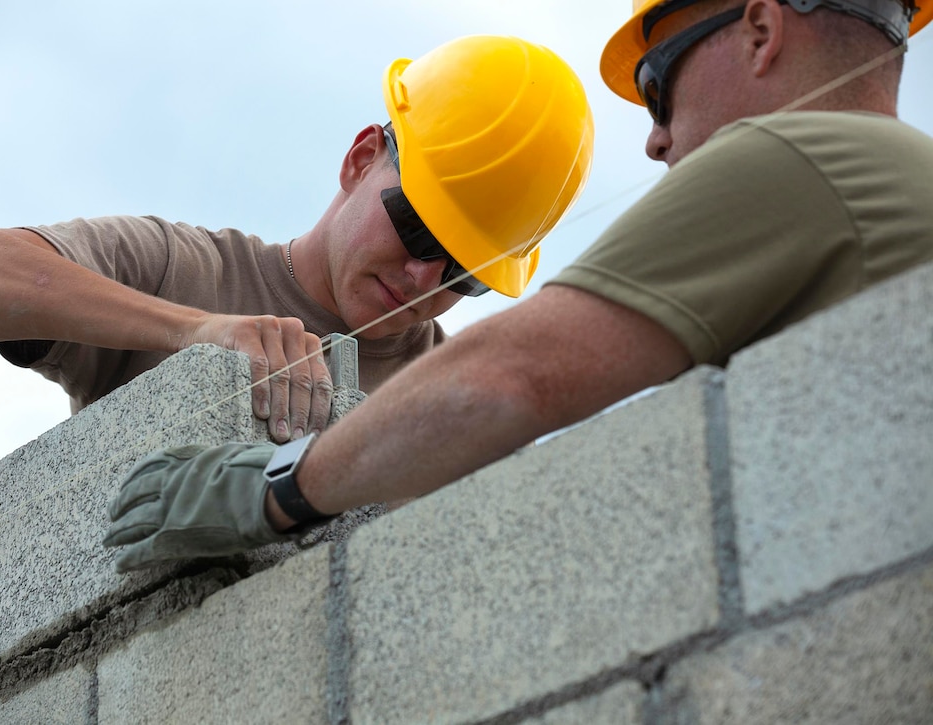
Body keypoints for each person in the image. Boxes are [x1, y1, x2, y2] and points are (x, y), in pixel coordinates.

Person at [102, 0, 933, 572]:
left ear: (759, 27)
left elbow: (510, 378)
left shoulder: (795, 159)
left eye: (657, 84)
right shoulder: (891, 181)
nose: (654, 139)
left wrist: (270, 487)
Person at [0, 35, 594, 445]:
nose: (420, 277)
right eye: (415, 226)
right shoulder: (182, 271)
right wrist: (197, 331)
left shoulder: (461, 398)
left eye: (462, 275)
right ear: (360, 158)